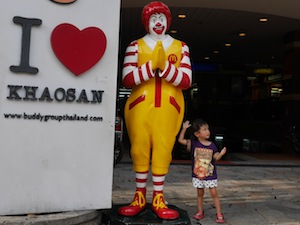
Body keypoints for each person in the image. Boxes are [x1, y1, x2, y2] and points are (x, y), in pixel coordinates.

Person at [118, 1, 192, 220]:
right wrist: (152, 66)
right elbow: (128, 79)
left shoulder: (181, 46)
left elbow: (186, 80)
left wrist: (165, 67)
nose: (157, 22)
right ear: (146, 22)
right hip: (140, 106)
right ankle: (139, 197)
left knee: (163, 149)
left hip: (168, 108)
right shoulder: (135, 46)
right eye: (153, 18)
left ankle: (158, 197)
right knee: (139, 148)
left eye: (161, 18)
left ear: (168, 22)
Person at [178, 119, 227, 223]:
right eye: (204, 129)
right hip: (198, 175)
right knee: (200, 193)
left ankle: (219, 213)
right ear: (197, 134)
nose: (208, 131)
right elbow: (180, 140)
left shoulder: (212, 145)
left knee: (214, 194)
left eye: (208, 129)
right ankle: (200, 212)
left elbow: (216, 157)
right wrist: (184, 129)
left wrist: (221, 154)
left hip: (210, 175)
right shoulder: (193, 144)